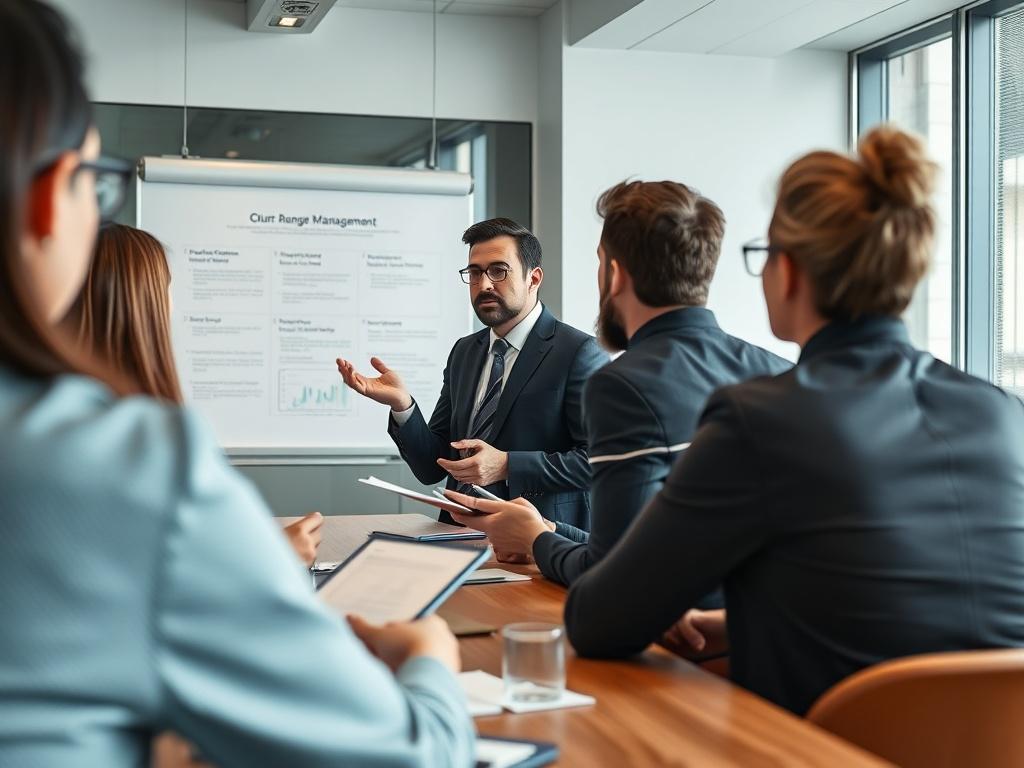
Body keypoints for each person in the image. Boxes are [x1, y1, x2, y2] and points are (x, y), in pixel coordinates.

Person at [0, 3, 473, 766]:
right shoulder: (123, 465)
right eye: (98, 182)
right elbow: (404, 756)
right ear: (54, 194)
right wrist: (431, 659)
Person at [559, 126, 1024, 715]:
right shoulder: (1000, 412)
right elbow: (928, 618)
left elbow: (599, 622)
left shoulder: (762, 419)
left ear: (792, 271)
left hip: (825, 750)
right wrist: (738, 623)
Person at [445, 181, 789, 587]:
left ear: (613, 273)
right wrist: (544, 533)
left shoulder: (623, 386)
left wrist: (538, 539)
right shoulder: (782, 373)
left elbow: (617, 581)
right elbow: (663, 547)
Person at [65, 222, 324, 566]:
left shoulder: (49, 418)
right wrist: (275, 557)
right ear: (148, 303)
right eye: (168, 288)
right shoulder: (156, 435)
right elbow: (174, 572)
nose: (173, 306)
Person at [338, 218, 608, 539]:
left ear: (533, 278)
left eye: (498, 270)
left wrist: (508, 464)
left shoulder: (578, 352)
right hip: (457, 534)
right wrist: (403, 406)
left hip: (538, 542)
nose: (484, 285)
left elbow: (598, 460)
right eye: (475, 273)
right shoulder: (466, 351)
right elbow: (431, 466)